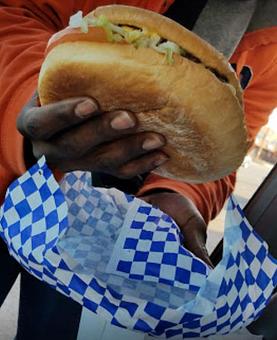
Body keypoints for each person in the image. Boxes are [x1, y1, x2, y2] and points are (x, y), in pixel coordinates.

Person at [0, 0, 276, 339]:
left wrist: (175, 192)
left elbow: (227, 148)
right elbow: (13, 12)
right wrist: (33, 99)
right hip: (9, 167)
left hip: (109, 238)